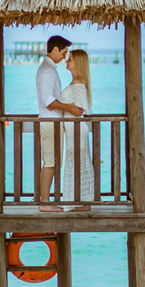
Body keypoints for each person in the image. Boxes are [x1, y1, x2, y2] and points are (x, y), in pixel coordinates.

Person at [36, 35, 83, 212]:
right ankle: (45, 203)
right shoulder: (48, 71)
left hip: (51, 122)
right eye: (63, 53)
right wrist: (69, 108)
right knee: (50, 162)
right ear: (55, 50)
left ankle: (45, 202)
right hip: (50, 122)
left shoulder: (47, 69)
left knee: (52, 162)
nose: (64, 57)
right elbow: (48, 100)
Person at [59, 49, 94, 212]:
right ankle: (77, 200)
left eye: (70, 60)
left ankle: (83, 203)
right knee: (76, 161)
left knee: (78, 162)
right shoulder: (77, 82)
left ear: (77, 64)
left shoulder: (79, 84)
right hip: (73, 128)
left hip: (77, 128)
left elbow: (81, 109)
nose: (67, 61)